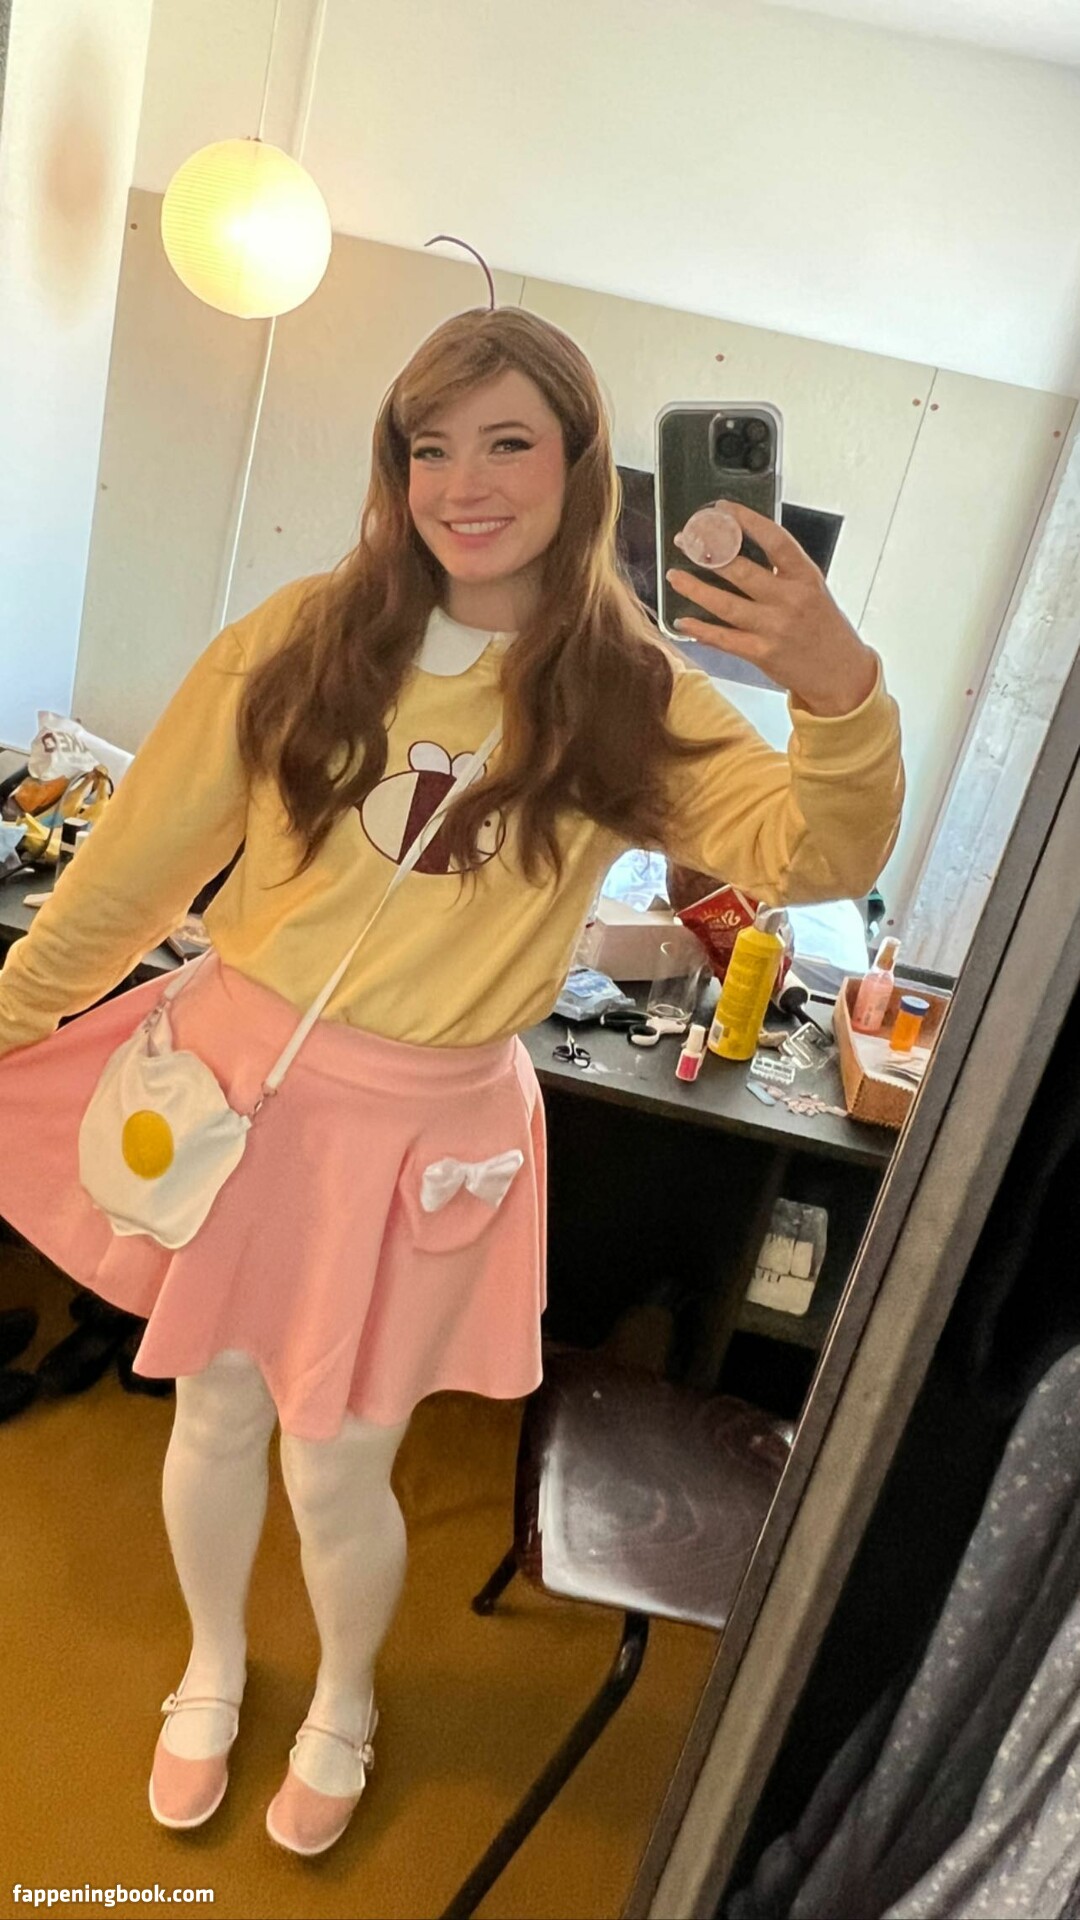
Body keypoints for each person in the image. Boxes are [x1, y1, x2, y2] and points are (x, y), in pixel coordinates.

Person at [0, 306, 903, 1855]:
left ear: (578, 463)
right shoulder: (303, 636)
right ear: (395, 465)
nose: (464, 485)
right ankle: (211, 1667)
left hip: (421, 1136)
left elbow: (816, 850)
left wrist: (838, 685)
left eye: (508, 443)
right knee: (211, 1414)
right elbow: (134, 865)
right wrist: (16, 1015)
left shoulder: (628, 691)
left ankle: (345, 1697)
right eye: (432, 447)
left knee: (339, 1460)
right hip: (233, 1086)